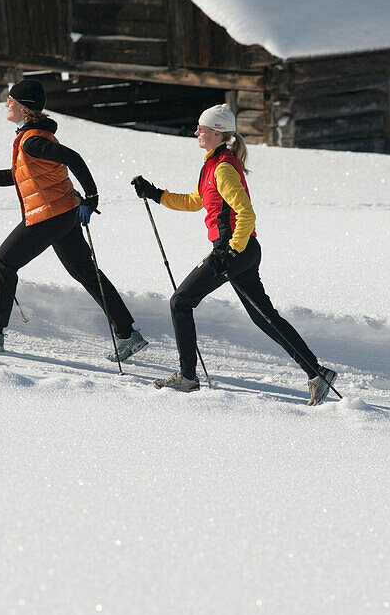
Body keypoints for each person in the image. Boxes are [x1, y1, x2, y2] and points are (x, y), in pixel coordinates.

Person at [131, 103, 336, 404]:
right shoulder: (214, 165)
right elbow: (194, 201)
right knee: (264, 317)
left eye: (201, 128)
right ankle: (317, 373)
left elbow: (246, 214)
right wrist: (156, 193)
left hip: (235, 251)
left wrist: (229, 252)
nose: (196, 132)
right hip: (242, 251)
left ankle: (188, 376)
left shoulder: (224, 168)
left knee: (180, 301)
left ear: (216, 132)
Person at [0, 78, 147, 361]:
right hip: (64, 212)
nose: (7, 104)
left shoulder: (33, 142)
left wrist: (92, 198)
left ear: (25, 108)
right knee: (85, 272)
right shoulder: (31, 138)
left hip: (50, 214)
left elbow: (74, 158)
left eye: (11, 101)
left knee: (4, 262)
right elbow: (17, 176)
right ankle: (128, 334)